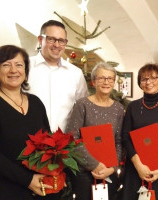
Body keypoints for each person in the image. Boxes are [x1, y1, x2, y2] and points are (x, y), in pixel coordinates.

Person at [0, 45, 60, 199]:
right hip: (4, 188)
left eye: (19, 65)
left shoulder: (35, 102)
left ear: (25, 70)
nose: (13, 70)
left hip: (39, 186)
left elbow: (48, 142)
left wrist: (55, 172)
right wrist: (27, 180)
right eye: (6, 65)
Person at [64, 62, 124, 200]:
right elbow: (72, 138)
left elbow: (119, 141)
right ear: (93, 81)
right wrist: (94, 165)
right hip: (84, 172)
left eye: (110, 78)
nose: (106, 82)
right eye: (101, 78)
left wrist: (112, 168)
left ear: (114, 82)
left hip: (109, 172)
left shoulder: (118, 109)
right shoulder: (82, 104)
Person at [122, 64, 158, 200]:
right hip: (136, 169)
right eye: (144, 79)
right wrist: (138, 165)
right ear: (140, 83)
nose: (149, 82)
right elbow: (125, 137)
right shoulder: (132, 106)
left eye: (153, 78)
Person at [28, 20, 88, 132]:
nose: (57, 45)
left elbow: (83, 108)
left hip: (65, 143)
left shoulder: (75, 73)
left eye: (61, 41)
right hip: (29, 141)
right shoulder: (25, 67)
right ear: (40, 40)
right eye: (51, 39)